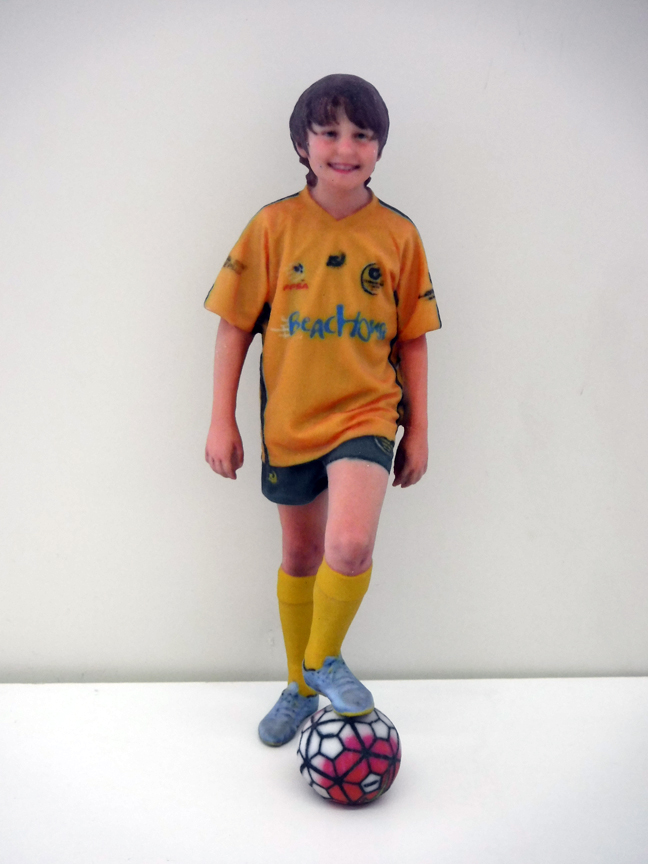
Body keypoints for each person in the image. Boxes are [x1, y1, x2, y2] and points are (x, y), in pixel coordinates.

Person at [204, 74, 441, 746]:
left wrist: (420, 430)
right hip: (290, 421)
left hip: (368, 414)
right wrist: (221, 419)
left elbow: (413, 339)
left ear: (379, 148)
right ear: (301, 144)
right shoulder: (273, 227)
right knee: (303, 553)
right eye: (329, 132)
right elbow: (233, 325)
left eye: (362, 135)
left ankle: (321, 659)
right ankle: (299, 687)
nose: (346, 147)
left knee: (350, 545)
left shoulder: (398, 235)